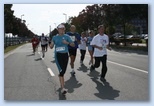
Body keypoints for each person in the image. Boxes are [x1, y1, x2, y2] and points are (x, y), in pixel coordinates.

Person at [50, 24, 74, 95]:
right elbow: (51, 45)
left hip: (65, 55)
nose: (62, 30)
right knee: (61, 71)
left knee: (63, 71)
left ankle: (60, 76)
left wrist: (67, 43)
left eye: (63, 29)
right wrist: (51, 45)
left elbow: (73, 44)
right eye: (60, 29)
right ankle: (63, 88)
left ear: (64, 29)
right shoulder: (55, 37)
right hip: (58, 55)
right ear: (58, 29)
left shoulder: (67, 36)